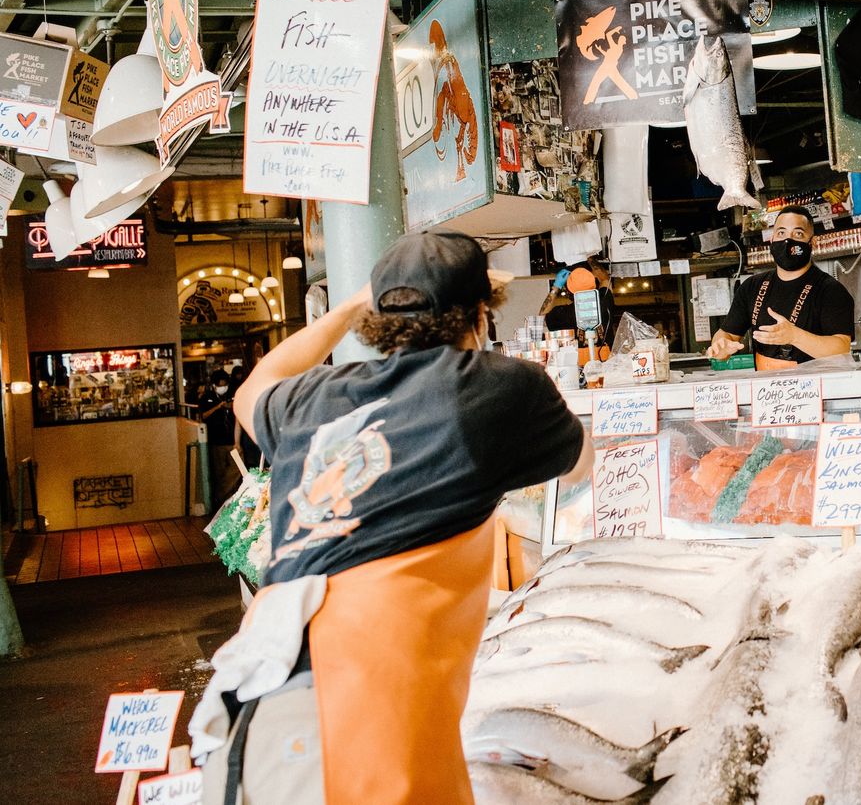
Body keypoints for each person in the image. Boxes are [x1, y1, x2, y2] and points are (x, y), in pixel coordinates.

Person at [196, 231, 592, 805]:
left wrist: (353, 305)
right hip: (353, 728)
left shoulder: (309, 398)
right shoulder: (494, 387)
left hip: (251, 719)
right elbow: (580, 467)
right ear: (481, 314)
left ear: (378, 319)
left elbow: (250, 391)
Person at [706, 206, 856, 370]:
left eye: (798, 234)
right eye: (781, 233)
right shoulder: (752, 287)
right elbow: (728, 333)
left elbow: (841, 347)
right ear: (771, 241)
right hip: (767, 389)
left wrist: (794, 336)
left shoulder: (830, 290)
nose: (787, 241)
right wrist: (721, 345)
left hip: (816, 387)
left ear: (812, 242)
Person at [198, 371, 238, 503]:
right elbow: (203, 416)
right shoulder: (207, 397)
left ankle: (221, 495)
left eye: (225, 384)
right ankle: (223, 498)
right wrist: (217, 407)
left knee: (236, 468)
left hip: (232, 440)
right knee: (219, 472)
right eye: (221, 385)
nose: (223, 387)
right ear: (214, 385)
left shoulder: (232, 395)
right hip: (216, 441)